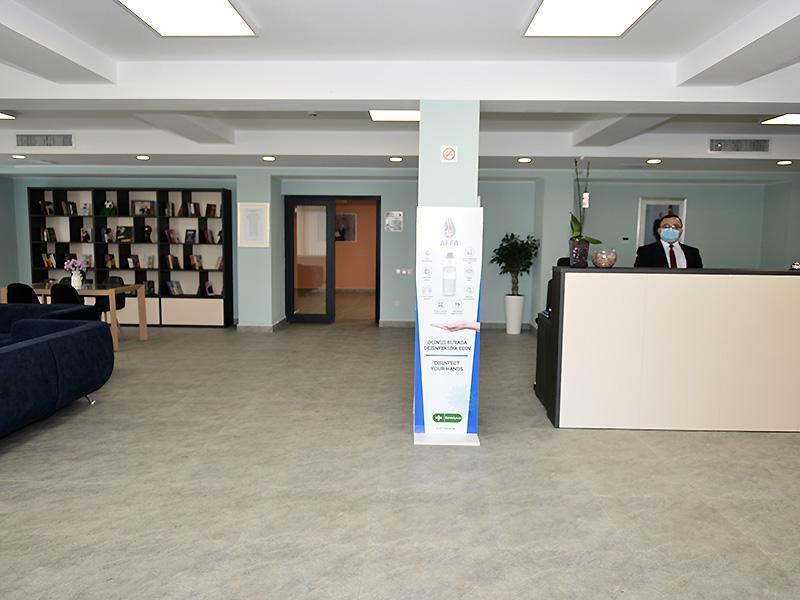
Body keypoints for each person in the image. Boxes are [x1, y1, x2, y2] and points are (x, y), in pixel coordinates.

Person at [634, 214, 703, 269]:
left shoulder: (693, 253)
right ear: (659, 230)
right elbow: (639, 277)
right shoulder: (645, 252)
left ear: (681, 231)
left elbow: (699, 277)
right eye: (666, 226)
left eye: (675, 227)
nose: (671, 229)